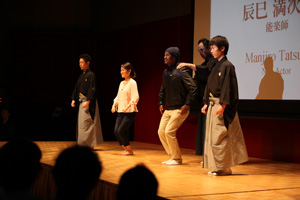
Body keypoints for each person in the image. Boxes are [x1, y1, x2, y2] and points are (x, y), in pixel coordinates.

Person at [201, 35, 248, 176]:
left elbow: (229, 87)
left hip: (221, 105)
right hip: (212, 103)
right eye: (210, 48)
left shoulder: (228, 66)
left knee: (219, 137)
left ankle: (225, 167)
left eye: (213, 48)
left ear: (222, 48)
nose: (211, 51)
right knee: (211, 137)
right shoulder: (215, 65)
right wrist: (205, 103)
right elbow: (209, 85)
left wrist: (224, 105)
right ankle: (217, 166)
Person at [177, 38, 217, 156]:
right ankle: (205, 154)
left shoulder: (214, 63)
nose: (201, 53)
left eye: (202, 50)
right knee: (203, 130)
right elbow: (195, 82)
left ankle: (210, 155)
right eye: (199, 51)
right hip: (203, 101)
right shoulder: (205, 64)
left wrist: (189, 65)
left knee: (209, 130)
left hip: (211, 101)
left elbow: (206, 71)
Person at [158, 47, 197, 165]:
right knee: (161, 132)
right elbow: (163, 88)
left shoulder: (181, 71)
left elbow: (193, 88)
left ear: (174, 58)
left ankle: (176, 158)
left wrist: (187, 104)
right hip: (168, 108)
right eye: (164, 55)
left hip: (180, 108)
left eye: (167, 55)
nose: (165, 57)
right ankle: (173, 156)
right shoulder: (166, 72)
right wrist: (160, 102)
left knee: (169, 132)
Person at [71, 54, 103, 147]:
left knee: (88, 124)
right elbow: (77, 88)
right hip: (82, 102)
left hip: (88, 102)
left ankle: (88, 144)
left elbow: (92, 89)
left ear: (87, 63)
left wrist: (88, 101)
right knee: (82, 125)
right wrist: (73, 99)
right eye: (79, 63)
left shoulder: (91, 75)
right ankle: (82, 144)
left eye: (82, 62)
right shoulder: (81, 76)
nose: (80, 64)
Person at [111, 62, 139, 156]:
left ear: (129, 71)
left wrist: (128, 106)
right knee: (116, 131)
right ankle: (126, 149)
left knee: (121, 130)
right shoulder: (121, 83)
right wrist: (114, 105)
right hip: (120, 111)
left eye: (123, 70)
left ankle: (129, 150)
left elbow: (135, 97)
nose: (121, 72)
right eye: (121, 70)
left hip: (129, 112)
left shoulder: (132, 83)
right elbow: (118, 97)